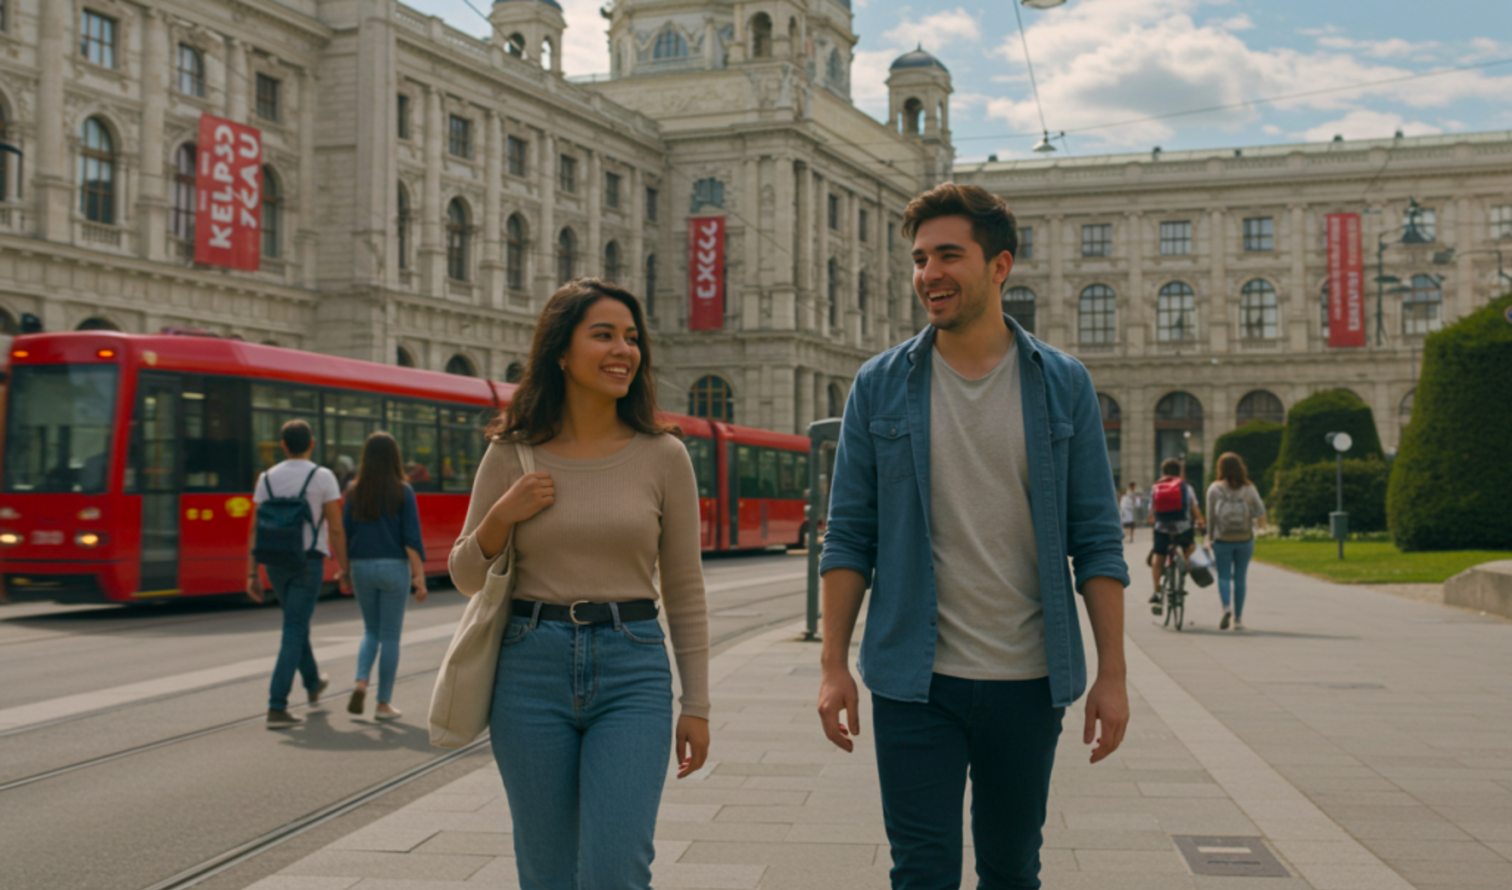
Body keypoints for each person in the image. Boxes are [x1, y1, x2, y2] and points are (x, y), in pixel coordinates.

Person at [817, 183, 1131, 890]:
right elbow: (849, 537)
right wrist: (832, 663)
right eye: (921, 258)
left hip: (1029, 680)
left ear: (999, 266)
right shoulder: (878, 385)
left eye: (948, 255)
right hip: (912, 681)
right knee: (921, 872)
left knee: (1012, 870)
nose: (929, 273)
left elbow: (1098, 540)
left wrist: (1112, 675)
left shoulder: (1063, 384)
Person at [449, 278, 710, 890]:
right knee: (547, 872)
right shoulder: (513, 451)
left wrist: (696, 704)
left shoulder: (664, 455)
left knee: (617, 870)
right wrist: (499, 518)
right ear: (560, 352)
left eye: (631, 337)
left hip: (633, 666)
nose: (624, 349)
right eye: (604, 335)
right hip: (528, 670)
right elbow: (464, 576)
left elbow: (685, 588)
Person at [247, 420, 349, 729]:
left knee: (295, 622)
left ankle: (314, 682)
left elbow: (254, 528)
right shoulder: (323, 477)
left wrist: (252, 572)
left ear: (282, 445)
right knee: (294, 626)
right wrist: (345, 568)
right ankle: (277, 706)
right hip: (308, 563)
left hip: (275, 562)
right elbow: (335, 527)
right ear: (312, 444)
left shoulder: (266, 478)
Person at [342, 431, 427, 719]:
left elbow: (345, 533)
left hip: (361, 566)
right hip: (393, 568)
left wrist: (344, 570)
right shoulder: (402, 490)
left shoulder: (354, 491)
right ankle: (383, 704)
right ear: (395, 457)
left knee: (370, 630)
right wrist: (419, 578)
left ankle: (361, 681)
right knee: (390, 636)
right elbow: (411, 539)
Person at [1206, 452, 1267, 631]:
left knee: (1223, 576)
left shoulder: (1215, 489)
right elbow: (1260, 510)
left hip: (1222, 538)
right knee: (1240, 578)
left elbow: (1210, 516)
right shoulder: (1248, 488)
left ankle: (1226, 608)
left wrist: (1210, 536)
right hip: (1244, 538)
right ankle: (1238, 619)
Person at [1148, 458, 1205, 614]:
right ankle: (1185, 565)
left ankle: (1156, 591)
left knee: (1158, 555)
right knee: (1190, 546)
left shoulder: (1156, 487)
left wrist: (1153, 521)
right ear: (1179, 471)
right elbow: (1193, 507)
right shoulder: (1185, 486)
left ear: (1163, 472)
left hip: (1162, 528)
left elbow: (1151, 513)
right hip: (1182, 527)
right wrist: (1200, 521)